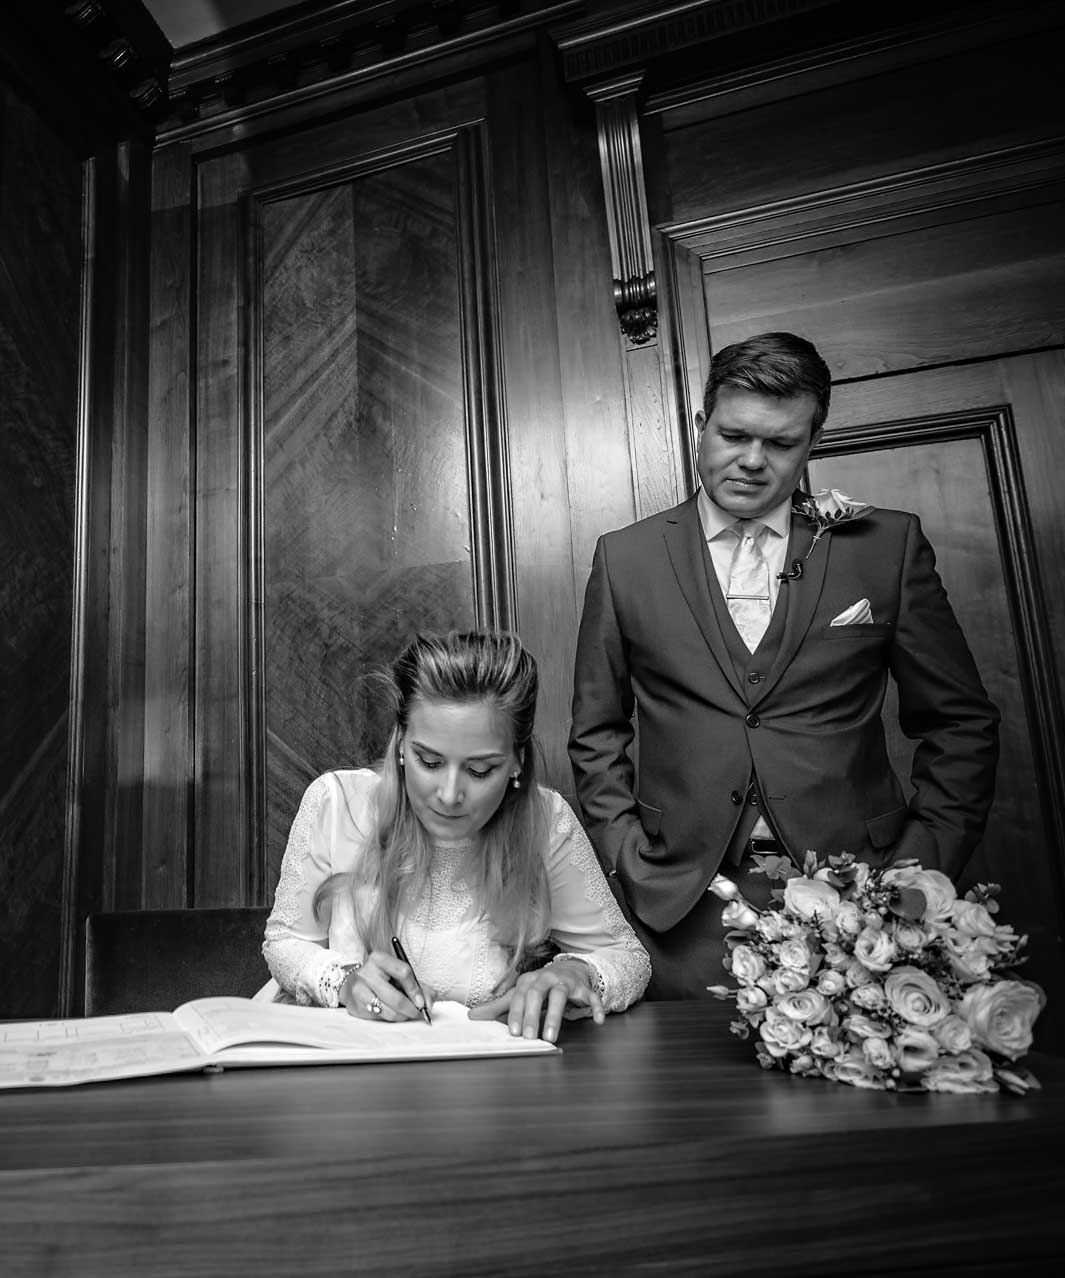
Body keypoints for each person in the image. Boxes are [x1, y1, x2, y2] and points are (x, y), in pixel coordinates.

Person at [569, 331, 999, 1000]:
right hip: (679, 903)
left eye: (780, 443)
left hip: (863, 900)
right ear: (699, 425)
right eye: (734, 435)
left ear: (813, 442)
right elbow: (597, 730)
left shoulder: (883, 546)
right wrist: (627, 856)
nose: (752, 460)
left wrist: (917, 875)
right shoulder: (626, 559)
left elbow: (961, 723)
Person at [261, 630, 647, 1042]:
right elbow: (284, 942)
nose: (449, 795)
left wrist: (575, 972)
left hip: (487, 1088)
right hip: (342, 1082)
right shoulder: (336, 805)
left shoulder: (546, 822)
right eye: (429, 761)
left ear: (518, 761)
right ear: (402, 746)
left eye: (480, 771)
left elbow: (629, 958)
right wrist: (343, 982)